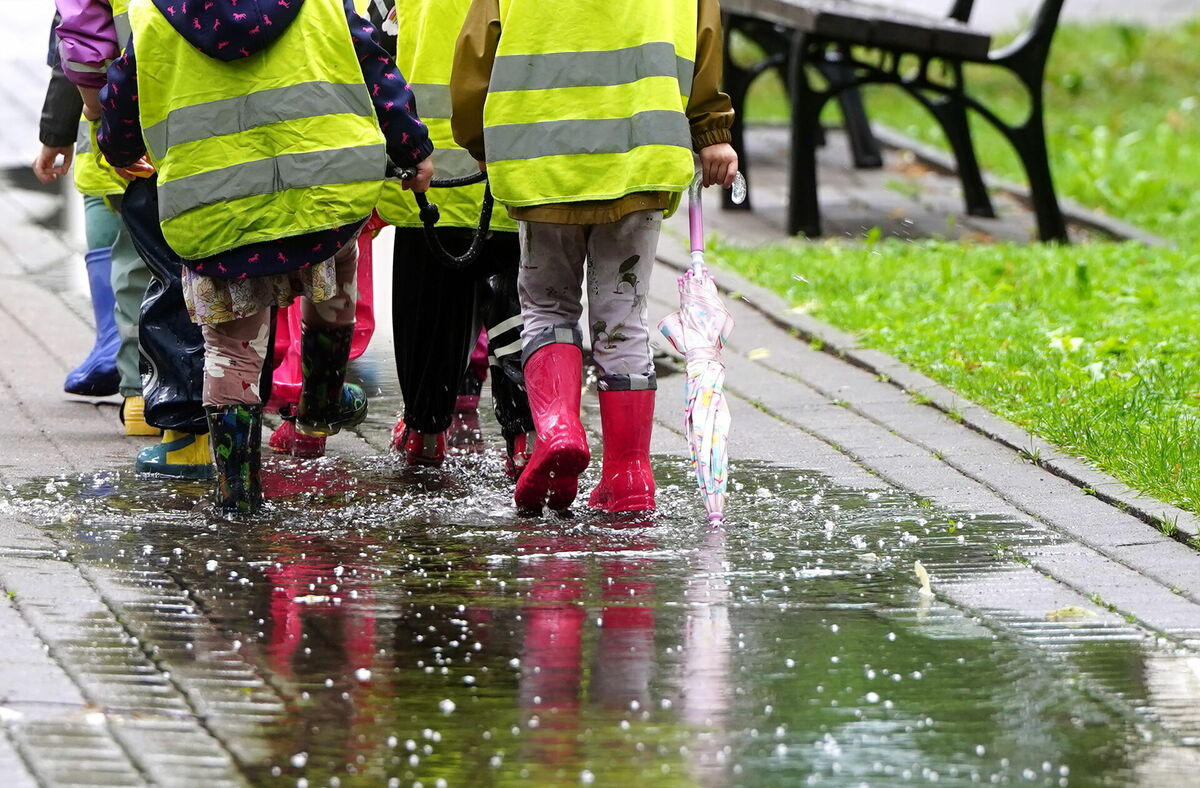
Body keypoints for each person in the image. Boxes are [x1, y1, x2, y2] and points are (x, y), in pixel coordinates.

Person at [99, 0, 433, 513]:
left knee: (231, 351)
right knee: (336, 276)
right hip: (319, 192)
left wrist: (121, 153)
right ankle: (320, 405)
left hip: (218, 208)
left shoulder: (151, 16)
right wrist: (412, 150)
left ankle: (238, 497)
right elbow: (376, 71)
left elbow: (120, 102)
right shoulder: (324, 5)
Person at [451, 0, 739, 513]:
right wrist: (713, 132)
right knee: (625, 319)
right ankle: (629, 477)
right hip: (641, 154)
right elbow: (706, 40)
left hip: (542, 156)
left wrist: (478, 136)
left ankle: (559, 430)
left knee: (546, 303)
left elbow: (479, 47)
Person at [368, 0, 535, 475]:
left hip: (429, 163)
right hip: (513, 158)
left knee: (429, 311)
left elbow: (375, 38)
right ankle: (523, 437)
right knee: (518, 306)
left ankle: (424, 430)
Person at [53, 0, 161, 438]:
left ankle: (139, 395)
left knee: (138, 263)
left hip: (131, 118)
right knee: (217, 260)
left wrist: (98, 117)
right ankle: (223, 402)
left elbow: (78, 40)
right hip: (212, 112)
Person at [34, 18, 128, 398]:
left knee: (102, 195)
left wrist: (56, 132)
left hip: (106, 108)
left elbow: (75, 45)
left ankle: (114, 344)